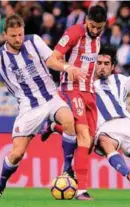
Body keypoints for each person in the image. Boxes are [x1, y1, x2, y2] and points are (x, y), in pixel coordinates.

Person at [42, 39, 130, 200]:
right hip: (103, 128)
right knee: (105, 142)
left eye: (106, 63)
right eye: (98, 62)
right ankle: (129, 175)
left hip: (129, 127)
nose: (102, 67)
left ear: (112, 66)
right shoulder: (80, 84)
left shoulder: (121, 81)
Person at [0, 14, 85, 199]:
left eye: (20, 34)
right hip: (28, 108)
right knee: (16, 154)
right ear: (5, 35)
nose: (18, 39)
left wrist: (67, 68)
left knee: (69, 119)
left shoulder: (34, 41)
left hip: (50, 97)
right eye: (13, 36)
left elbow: (51, 61)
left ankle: (68, 169)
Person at [46, 5, 107, 200]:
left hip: (90, 92)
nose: (95, 30)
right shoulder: (74, 32)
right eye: (92, 26)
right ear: (86, 20)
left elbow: (89, 64)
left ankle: (55, 127)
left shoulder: (98, 38)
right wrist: (67, 67)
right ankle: (81, 190)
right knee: (83, 136)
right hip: (72, 89)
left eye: (100, 27)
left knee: (88, 142)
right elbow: (51, 59)